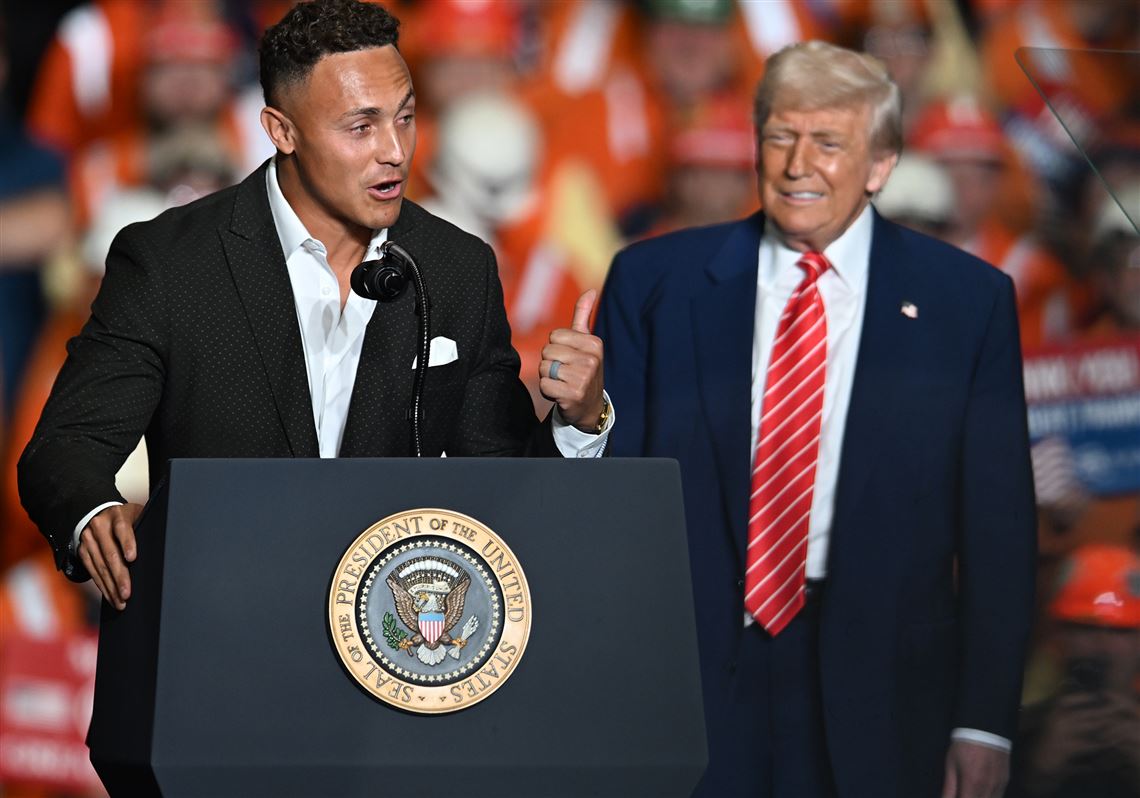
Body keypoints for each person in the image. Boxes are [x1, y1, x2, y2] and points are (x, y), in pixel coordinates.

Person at [18, 0, 609, 613]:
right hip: (220, 621)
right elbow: (66, 449)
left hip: (394, 637)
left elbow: (503, 489)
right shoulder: (172, 262)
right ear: (282, 131)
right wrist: (95, 515)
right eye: (361, 127)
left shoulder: (457, 267)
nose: (395, 150)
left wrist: (578, 421)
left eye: (405, 118)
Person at [595, 40, 1036, 797]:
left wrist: (984, 721)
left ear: (881, 164)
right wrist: (576, 422)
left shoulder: (968, 302)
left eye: (829, 143)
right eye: (781, 137)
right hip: (688, 678)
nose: (799, 165)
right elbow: (610, 498)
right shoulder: (654, 281)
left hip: (885, 689)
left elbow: (998, 531)